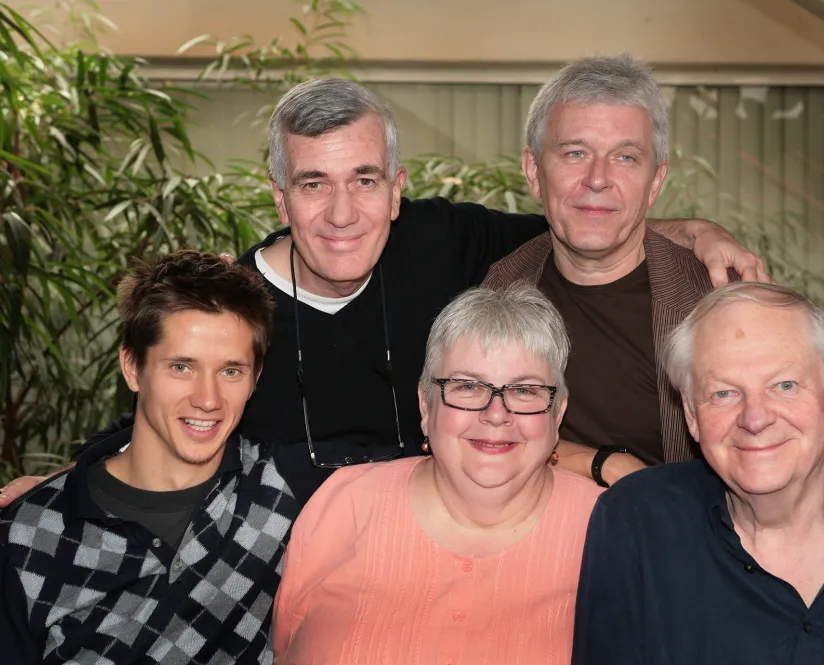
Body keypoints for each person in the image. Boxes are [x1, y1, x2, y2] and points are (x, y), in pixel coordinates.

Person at [0, 77, 766, 509]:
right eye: (313, 183)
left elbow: (587, 217)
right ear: (278, 196)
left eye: (364, 180)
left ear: (397, 188)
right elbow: (158, 421)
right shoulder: (230, 310)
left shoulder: (444, 241)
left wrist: (695, 231)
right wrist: (60, 487)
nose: (341, 214)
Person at [481, 54, 824, 510]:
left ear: (656, 181)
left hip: (705, 559)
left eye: (626, 157)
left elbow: (792, 422)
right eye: (575, 152)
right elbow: (474, 429)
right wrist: (600, 462)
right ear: (533, 172)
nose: (598, 178)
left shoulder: (714, 291)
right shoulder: (502, 288)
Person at [571, 283, 824, 665]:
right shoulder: (638, 523)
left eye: (785, 385)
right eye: (724, 393)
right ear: (691, 414)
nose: (755, 418)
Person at [273, 285, 603, 665]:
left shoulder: (610, 528)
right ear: (425, 405)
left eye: (525, 390)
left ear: (556, 414)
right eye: (468, 386)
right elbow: (283, 647)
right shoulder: (345, 503)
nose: (496, 414)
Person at [0, 251, 300, 664]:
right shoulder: (24, 536)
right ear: (132, 368)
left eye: (231, 371)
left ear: (256, 379)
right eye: (181, 367)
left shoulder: (283, 488)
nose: (207, 399)